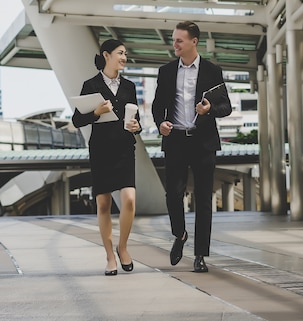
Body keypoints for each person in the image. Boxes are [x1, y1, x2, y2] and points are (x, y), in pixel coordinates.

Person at [152, 21, 232, 273]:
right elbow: (157, 106)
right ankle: (180, 234)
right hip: (175, 140)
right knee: (173, 195)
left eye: (179, 40)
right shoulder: (166, 71)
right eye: (174, 40)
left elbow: (226, 107)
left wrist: (209, 110)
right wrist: (161, 123)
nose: (174, 44)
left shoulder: (212, 70)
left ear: (193, 42)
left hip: (203, 141)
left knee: (203, 200)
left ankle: (200, 256)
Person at [72, 39, 141, 276]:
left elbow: (136, 120)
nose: (124, 57)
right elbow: (77, 120)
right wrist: (96, 112)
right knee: (103, 204)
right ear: (106, 55)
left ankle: (122, 247)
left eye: (125, 54)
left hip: (124, 148)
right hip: (100, 149)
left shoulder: (130, 86)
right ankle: (110, 256)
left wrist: (136, 126)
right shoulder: (90, 84)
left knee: (129, 200)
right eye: (120, 53)